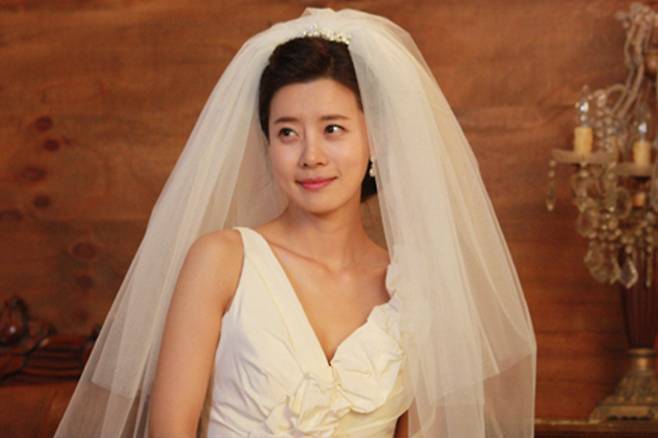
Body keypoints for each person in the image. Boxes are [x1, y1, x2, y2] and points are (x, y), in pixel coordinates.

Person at [55, 7, 537, 438]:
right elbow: (170, 431)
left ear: (374, 138)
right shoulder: (222, 261)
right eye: (288, 132)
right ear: (267, 143)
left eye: (333, 129)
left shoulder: (409, 288)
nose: (311, 155)